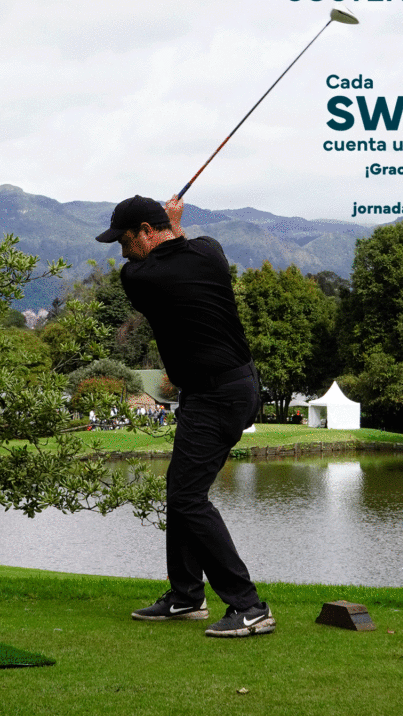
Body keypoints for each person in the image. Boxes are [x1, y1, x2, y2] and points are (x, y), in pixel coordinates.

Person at [96, 194, 275, 638]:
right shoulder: (210, 253)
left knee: (188, 497)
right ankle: (186, 595)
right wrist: (176, 225)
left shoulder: (140, 277)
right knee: (181, 489)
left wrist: (171, 225)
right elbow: (186, 248)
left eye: (124, 240)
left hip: (219, 394)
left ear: (145, 231)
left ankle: (249, 606)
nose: (122, 251)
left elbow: (163, 259)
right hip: (225, 388)